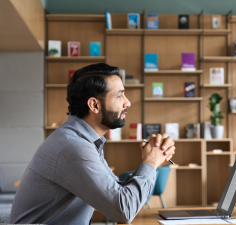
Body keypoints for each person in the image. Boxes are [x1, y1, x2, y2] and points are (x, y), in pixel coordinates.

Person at [10, 63, 176, 224]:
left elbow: (117, 193)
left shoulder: (84, 140)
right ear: (94, 105)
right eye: (119, 96)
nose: (127, 103)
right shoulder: (73, 147)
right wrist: (150, 163)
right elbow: (123, 211)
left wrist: (150, 159)